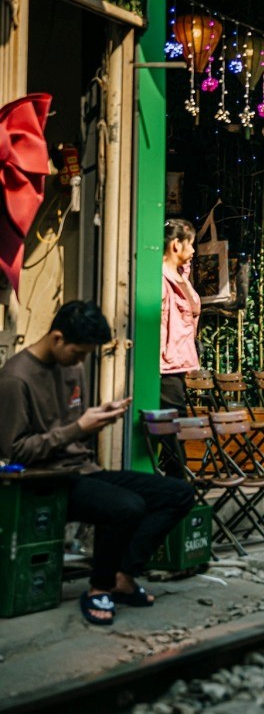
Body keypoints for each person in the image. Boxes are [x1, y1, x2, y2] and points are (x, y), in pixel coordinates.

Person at [0, 301, 194, 625]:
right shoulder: (15, 379)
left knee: (179, 493)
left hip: (83, 471)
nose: (81, 361)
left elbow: (74, 427)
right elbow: (15, 452)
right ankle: (98, 588)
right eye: (78, 353)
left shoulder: (72, 366)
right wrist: (78, 428)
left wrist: (97, 421)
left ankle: (122, 575)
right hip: (44, 480)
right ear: (58, 338)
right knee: (126, 506)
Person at [160, 219, 201, 477]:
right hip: (165, 363)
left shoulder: (180, 275)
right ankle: (178, 482)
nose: (194, 251)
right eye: (191, 244)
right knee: (172, 425)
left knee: (174, 423)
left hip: (177, 363)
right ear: (176, 245)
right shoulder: (161, 279)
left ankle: (176, 478)